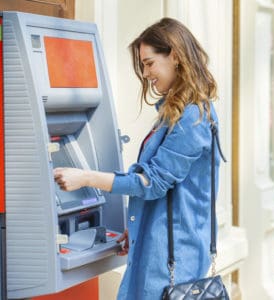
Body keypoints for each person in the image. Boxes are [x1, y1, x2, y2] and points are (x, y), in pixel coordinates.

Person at [54, 17, 222, 300]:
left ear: (176, 56)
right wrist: (138, 225)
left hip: (172, 257)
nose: (145, 73)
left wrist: (85, 177)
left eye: (149, 63)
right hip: (161, 248)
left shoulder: (192, 116)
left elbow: (151, 182)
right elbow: (165, 186)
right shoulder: (178, 113)